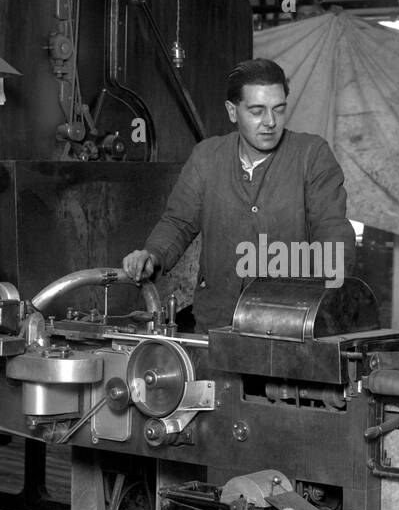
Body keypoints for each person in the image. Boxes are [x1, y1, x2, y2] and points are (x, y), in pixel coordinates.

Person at [122, 58, 355, 331]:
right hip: (216, 321)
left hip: (288, 325)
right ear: (232, 112)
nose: (270, 122)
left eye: (279, 110)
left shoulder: (311, 155)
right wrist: (152, 254)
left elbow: (332, 230)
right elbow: (178, 222)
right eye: (257, 111)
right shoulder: (207, 157)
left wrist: (327, 306)